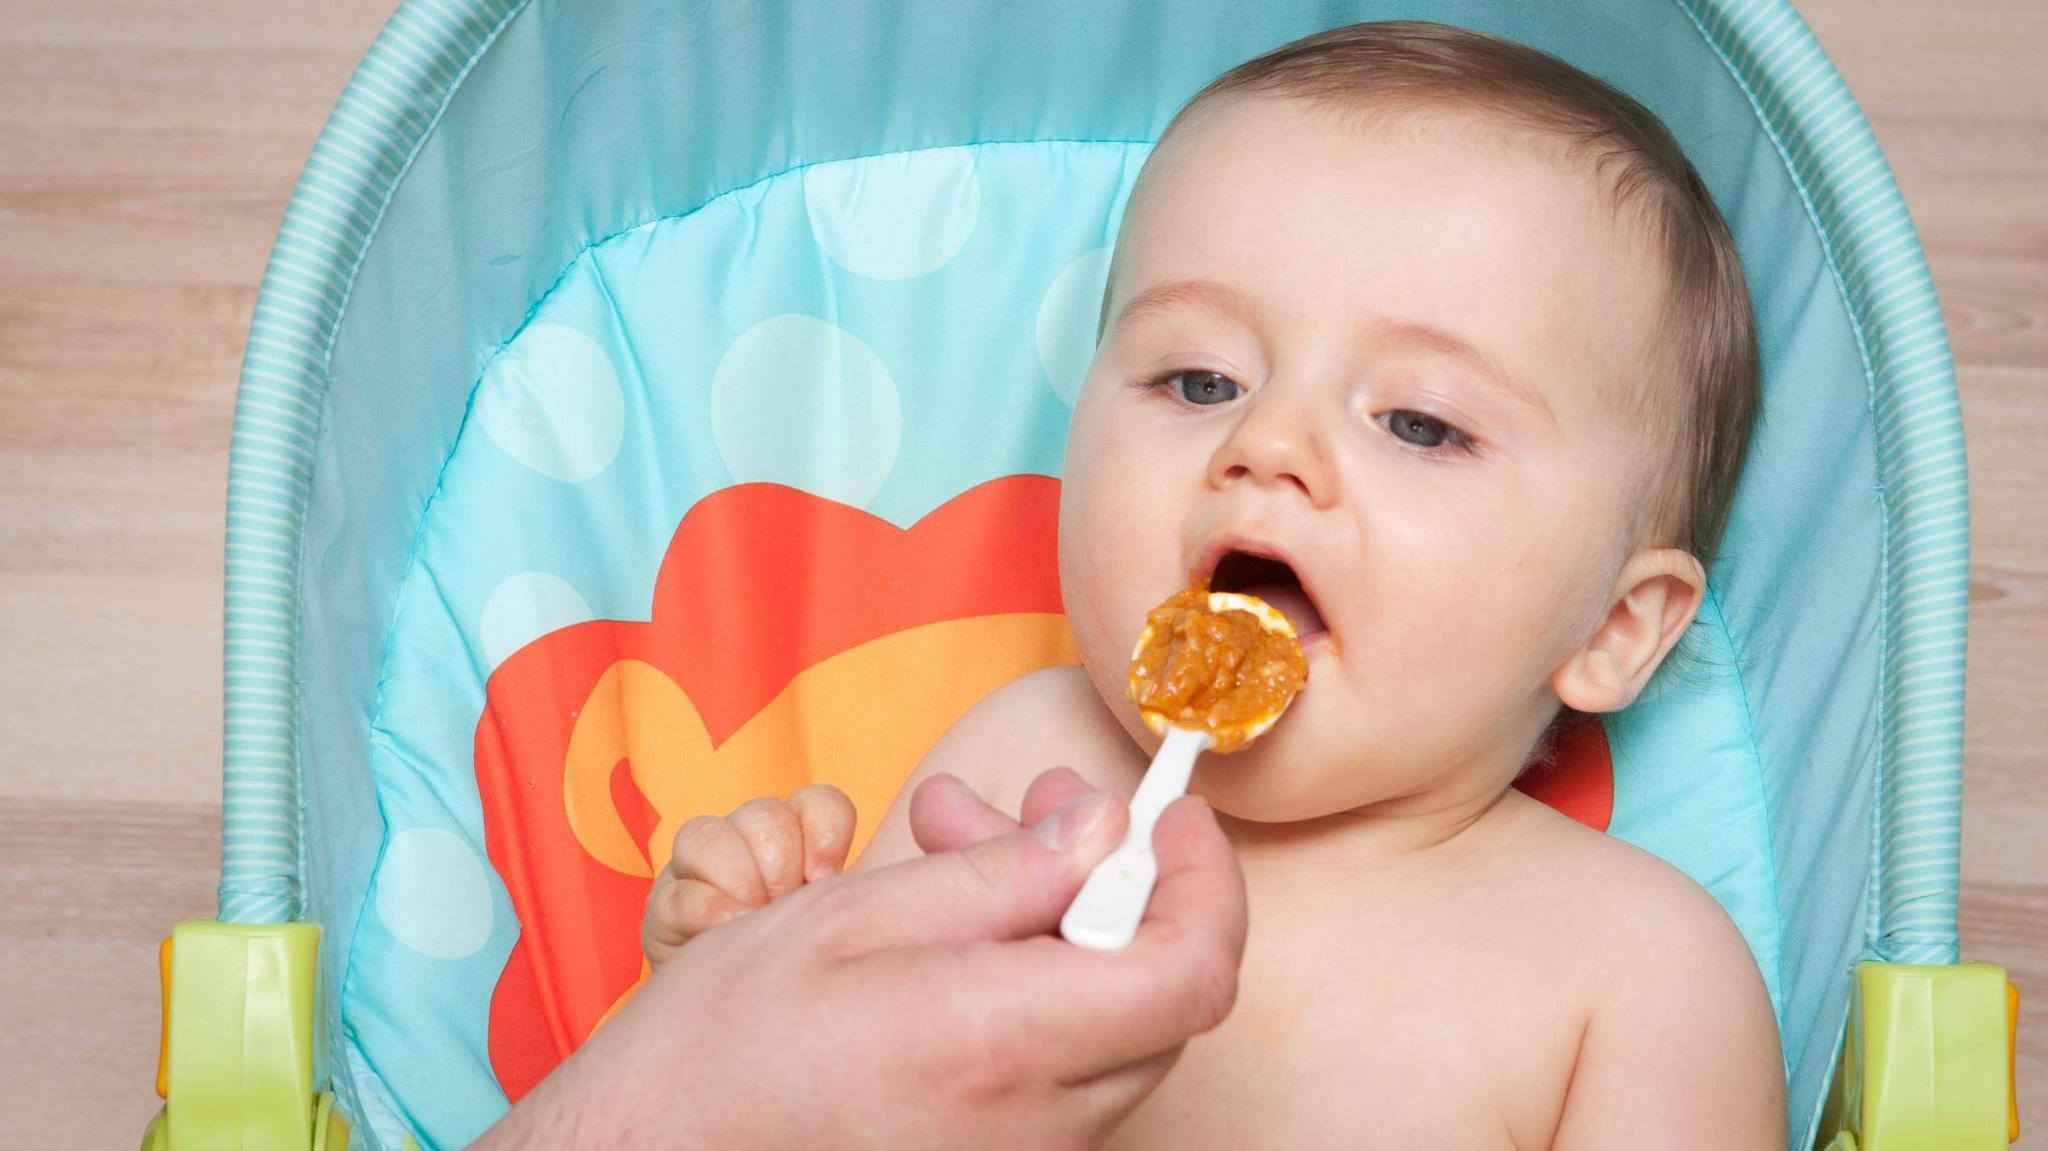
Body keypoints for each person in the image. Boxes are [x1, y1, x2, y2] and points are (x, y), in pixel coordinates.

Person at [645, 20, 1786, 1148]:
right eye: (1199, 378)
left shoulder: (1634, 971)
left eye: (1418, 423)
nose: (1266, 439)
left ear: (1614, 628)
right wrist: (735, 1011)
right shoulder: (1013, 767)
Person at [476, 769, 1248, 1149]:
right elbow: (835, 1037)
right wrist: (748, 957)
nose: (1265, 446)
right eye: (1198, 437)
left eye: (1379, 439)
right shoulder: (1025, 718)